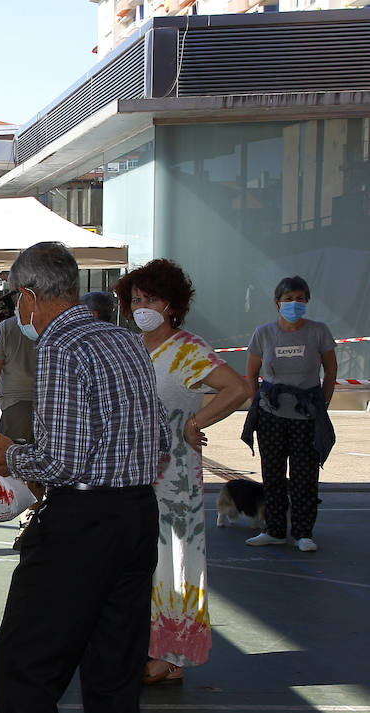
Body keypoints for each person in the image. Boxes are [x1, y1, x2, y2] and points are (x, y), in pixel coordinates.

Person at [0, 241, 169, 713]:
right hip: (137, 516)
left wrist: (6, 456)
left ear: (29, 295)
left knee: (23, 661)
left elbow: (63, 459)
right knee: (112, 676)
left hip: (82, 521)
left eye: (17, 299)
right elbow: (158, 436)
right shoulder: (125, 341)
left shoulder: (60, 344)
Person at [116, 260, 250, 686]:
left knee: (174, 561)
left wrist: (196, 423)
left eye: (150, 298)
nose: (141, 307)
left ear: (172, 303)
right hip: (134, 475)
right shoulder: (131, 345)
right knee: (139, 564)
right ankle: (147, 646)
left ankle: (170, 657)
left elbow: (239, 388)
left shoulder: (188, 348)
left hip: (175, 479)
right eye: (135, 299)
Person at [241, 276, 337, 553]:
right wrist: (255, 401)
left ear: (307, 301)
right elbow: (251, 373)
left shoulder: (319, 332)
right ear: (277, 303)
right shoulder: (263, 333)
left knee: (305, 476)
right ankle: (273, 530)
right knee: (272, 474)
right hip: (271, 415)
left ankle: (303, 532)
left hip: (306, 416)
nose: (294, 303)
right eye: (288, 299)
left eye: (300, 298)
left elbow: (331, 370)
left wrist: (324, 402)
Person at [0, 309, 44, 543]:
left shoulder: (6, 329)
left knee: (17, 462)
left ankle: (28, 516)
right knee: (39, 464)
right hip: (47, 404)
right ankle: (36, 512)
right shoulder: (48, 325)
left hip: (14, 405)